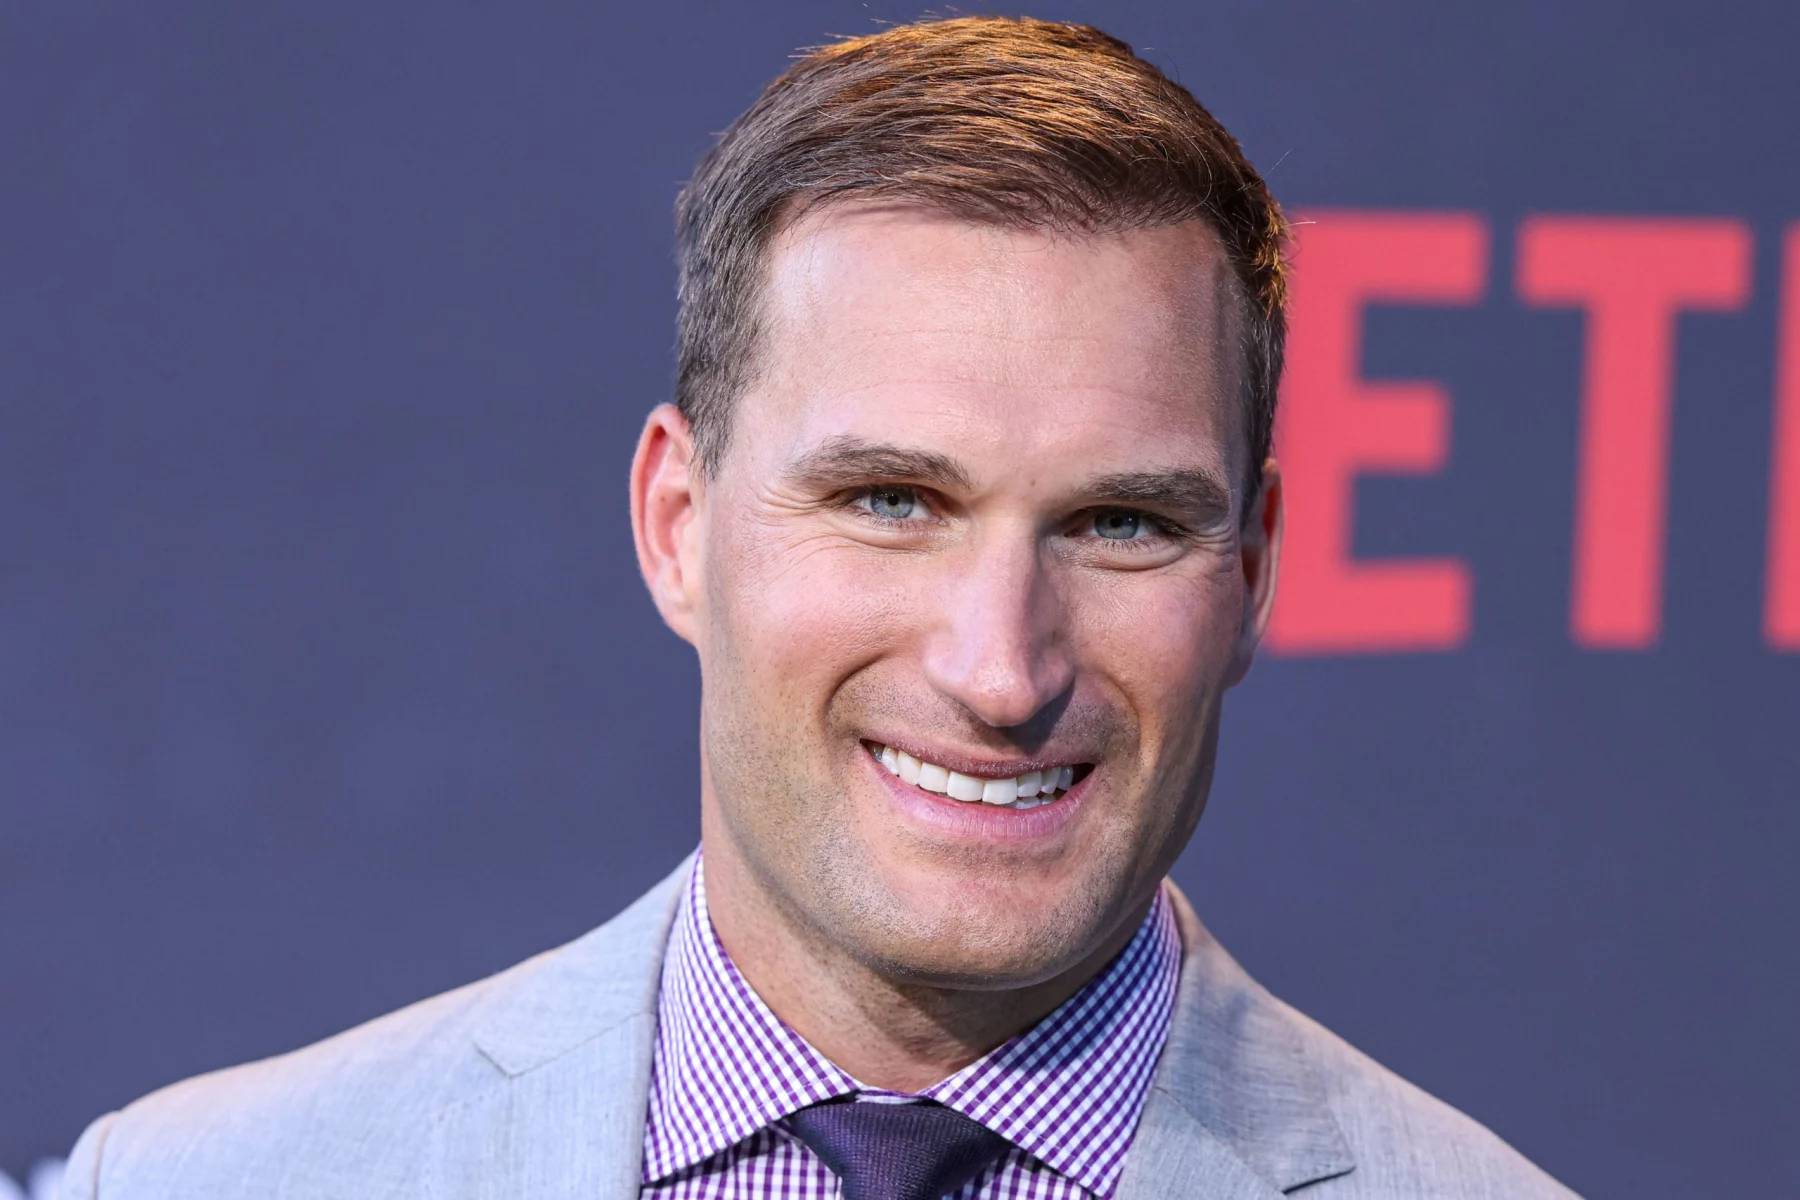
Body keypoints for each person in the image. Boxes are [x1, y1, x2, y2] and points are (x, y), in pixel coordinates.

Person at [60, 16, 1577, 1200]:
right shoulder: (215, 1180)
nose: (1000, 667)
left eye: (1122, 523)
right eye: (891, 501)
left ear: (1250, 574)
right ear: (677, 526)